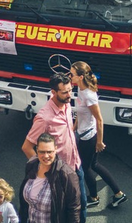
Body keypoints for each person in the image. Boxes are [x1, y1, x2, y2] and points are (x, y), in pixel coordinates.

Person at [22, 73, 87, 223]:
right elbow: (27, 147)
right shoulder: (45, 118)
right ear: (53, 92)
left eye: (70, 90)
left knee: (81, 206)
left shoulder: (66, 105)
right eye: (64, 92)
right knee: (65, 213)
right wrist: (46, 169)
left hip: (76, 166)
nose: (69, 95)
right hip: (59, 174)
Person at [70, 61, 127, 209]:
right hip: (83, 134)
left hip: (89, 137)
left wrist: (99, 142)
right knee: (94, 165)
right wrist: (73, 128)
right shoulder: (80, 89)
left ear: (80, 77)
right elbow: (80, 114)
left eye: (72, 74)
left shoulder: (89, 96)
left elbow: (99, 119)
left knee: (86, 167)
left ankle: (94, 197)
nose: (70, 76)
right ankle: (118, 194)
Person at [20, 133, 80, 223]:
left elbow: (74, 208)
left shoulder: (66, 174)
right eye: (42, 152)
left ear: (55, 149)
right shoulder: (31, 165)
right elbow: (25, 204)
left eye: (49, 152)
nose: (46, 156)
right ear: (37, 150)